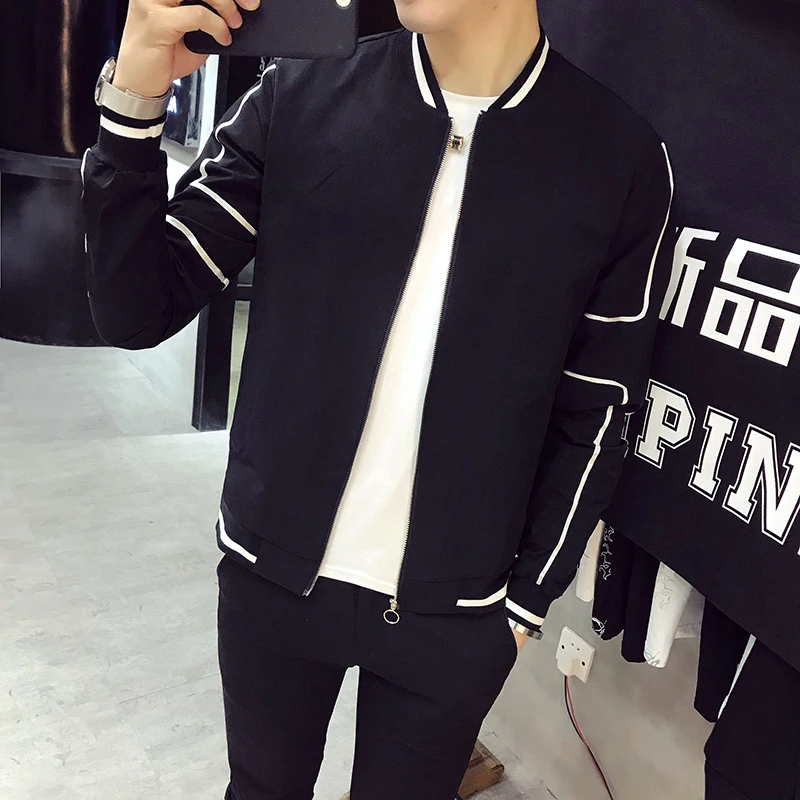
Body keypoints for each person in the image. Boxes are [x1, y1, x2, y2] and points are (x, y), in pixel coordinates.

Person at [83, 0, 674, 797]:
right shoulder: (302, 91)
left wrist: (524, 605)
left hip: (457, 614)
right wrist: (135, 95)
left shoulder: (618, 157)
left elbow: (597, 408)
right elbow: (134, 309)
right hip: (272, 575)